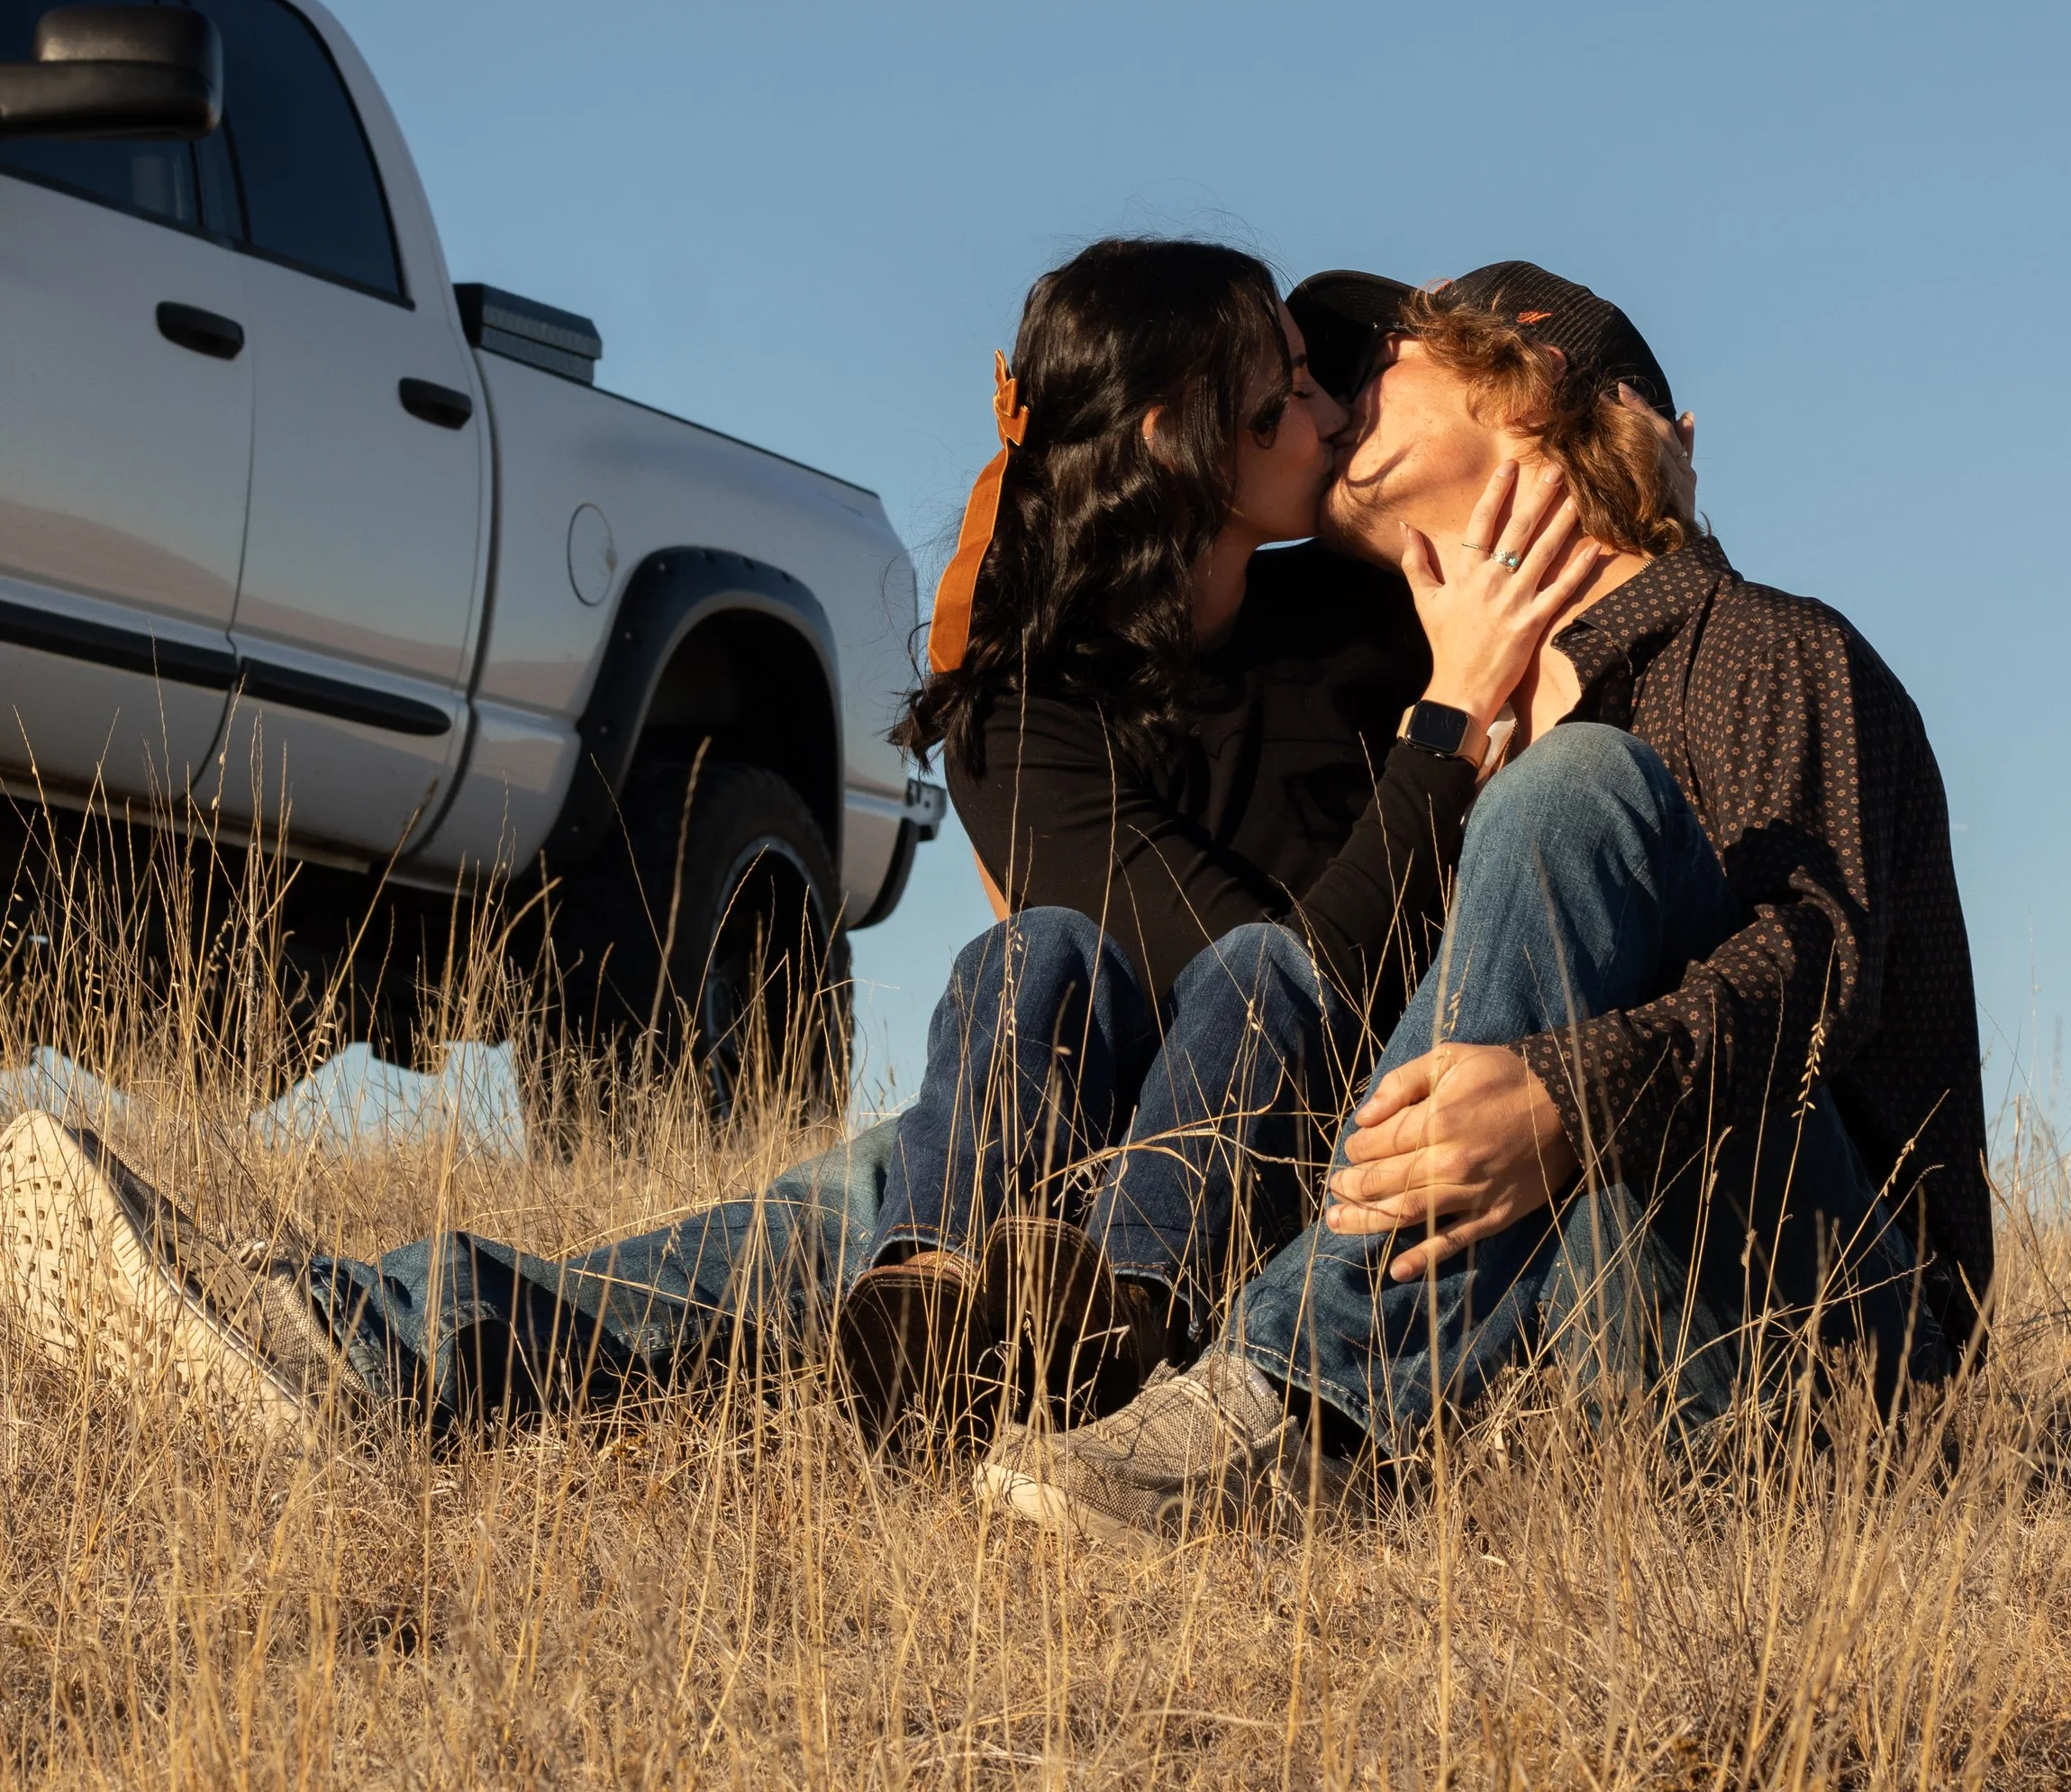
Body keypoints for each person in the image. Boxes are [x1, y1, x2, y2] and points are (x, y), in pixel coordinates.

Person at [0, 239, 1605, 1453]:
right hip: (1091, 1184)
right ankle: (370, 1337)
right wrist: (1445, 729)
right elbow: (1215, 974)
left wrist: (1450, 647)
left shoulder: (1384, 613)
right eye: (1293, 392)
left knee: (849, 1195)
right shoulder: (1027, 708)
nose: (1330, 412)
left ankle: (360, 1337)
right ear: (1190, 435)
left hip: (1342, 1160)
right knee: (1019, 982)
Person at [976, 259, 1991, 1540]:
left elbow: (1815, 966)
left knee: (1579, 789)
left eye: (1383, 360)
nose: (1339, 402)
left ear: (1526, 383)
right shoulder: (1468, 721)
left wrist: (1570, 1095)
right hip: (1591, 1356)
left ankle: (1294, 1392)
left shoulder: (1761, 645)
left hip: (1843, 1347)